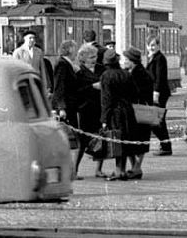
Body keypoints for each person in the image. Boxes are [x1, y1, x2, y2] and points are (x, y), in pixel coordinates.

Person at [98, 49, 135, 181]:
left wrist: (104, 119)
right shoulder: (126, 74)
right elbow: (134, 93)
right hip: (127, 111)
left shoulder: (106, 76)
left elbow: (106, 100)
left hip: (114, 113)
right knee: (125, 140)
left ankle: (119, 171)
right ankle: (122, 169)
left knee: (116, 141)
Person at [122, 47, 154, 179]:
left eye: (126, 59)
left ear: (132, 61)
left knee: (137, 140)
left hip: (138, 111)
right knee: (137, 140)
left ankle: (136, 167)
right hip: (141, 110)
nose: (124, 62)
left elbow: (134, 92)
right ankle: (136, 166)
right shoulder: (139, 72)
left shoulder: (137, 74)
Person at [74, 44, 105, 178]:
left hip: (100, 107)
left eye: (96, 56)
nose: (94, 59)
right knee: (83, 140)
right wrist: (92, 86)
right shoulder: (79, 73)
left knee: (101, 138)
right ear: (83, 59)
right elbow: (77, 91)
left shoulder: (101, 69)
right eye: (91, 57)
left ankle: (98, 169)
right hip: (86, 109)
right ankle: (75, 170)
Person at [51, 40, 80, 173]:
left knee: (71, 138)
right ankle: (68, 169)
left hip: (70, 106)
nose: (77, 52)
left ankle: (70, 169)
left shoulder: (68, 64)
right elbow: (59, 87)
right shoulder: (62, 64)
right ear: (69, 50)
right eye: (75, 49)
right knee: (68, 138)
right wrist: (61, 107)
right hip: (66, 107)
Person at [144, 36, 173, 156]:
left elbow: (159, 78)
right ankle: (165, 145)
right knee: (159, 120)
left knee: (157, 120)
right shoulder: (151, 58)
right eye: (150, 45)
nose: (152, 47)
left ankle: (166, 146)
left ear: (158, 46)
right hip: (155, 93)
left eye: (154, 45)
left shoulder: (160, 58)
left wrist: (156, 92)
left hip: (159, 93)